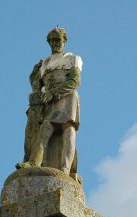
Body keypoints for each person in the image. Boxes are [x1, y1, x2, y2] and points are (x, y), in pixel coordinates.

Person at [16, 27, 83, 177]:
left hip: (66, 97)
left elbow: (75, 81)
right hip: (49, 101)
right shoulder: (44, 63)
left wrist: (54, 92)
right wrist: (34, 77)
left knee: (68, 130)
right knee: (46, 127)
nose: (56, 43)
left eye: (58, 40)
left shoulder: (72, 58)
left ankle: (65, 169)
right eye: (53, 40)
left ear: (64, 41)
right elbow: (37, 86)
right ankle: (34, 162)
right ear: (49, 42)